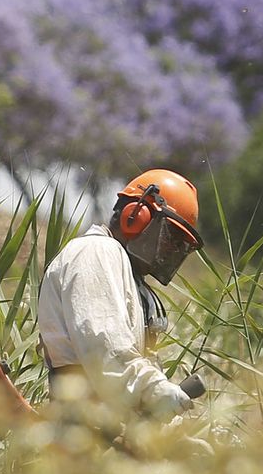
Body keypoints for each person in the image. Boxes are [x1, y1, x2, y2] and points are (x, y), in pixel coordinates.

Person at [36, 168, 204, 420]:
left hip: (107, 430)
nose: (172, 249)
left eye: (181, 244)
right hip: (80, 432)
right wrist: (154, 390)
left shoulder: (128, 274)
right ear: (135, 217)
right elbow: (104, 346)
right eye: (171, 237)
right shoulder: (96, 252)